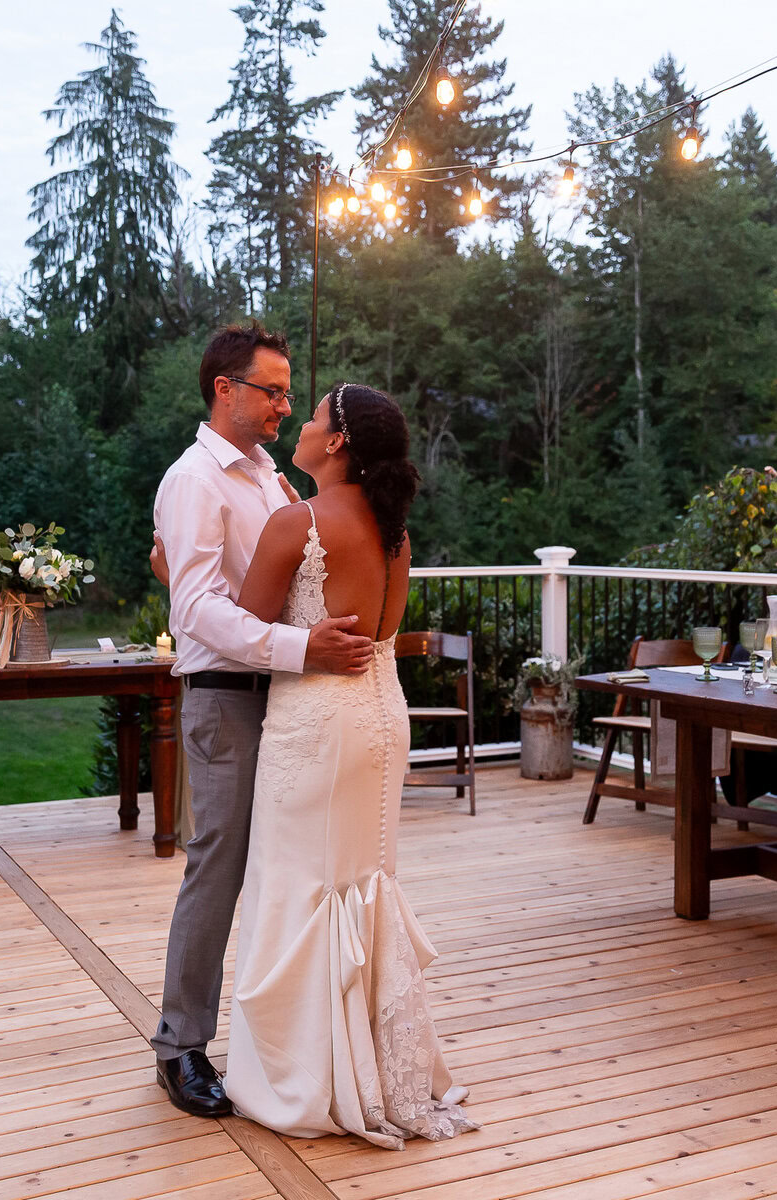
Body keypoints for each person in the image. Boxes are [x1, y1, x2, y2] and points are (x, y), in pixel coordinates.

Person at [220, 382, 479, 1148]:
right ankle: (373, 1064)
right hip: (381, 716)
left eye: (311, 417)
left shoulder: (295, 522)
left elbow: (247, 627)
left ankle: (311, 1076)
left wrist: (176, 578)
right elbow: (385, 630)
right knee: (365, 882)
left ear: (335, 442)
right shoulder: (395, 533)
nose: (297, 426)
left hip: (316, 722)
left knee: (297, 883)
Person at [151, 322, 373, 1119]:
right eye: (272, 390)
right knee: (218, 868)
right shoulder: (194, 481)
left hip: (283, 702)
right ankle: (180, 1047)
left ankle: (278, 1040)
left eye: (288, 393)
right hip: (226, 698)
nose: (284, 403)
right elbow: (198, 613)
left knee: (284, 871)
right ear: (225, 389)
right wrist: (302, 647)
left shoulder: (270, 478)